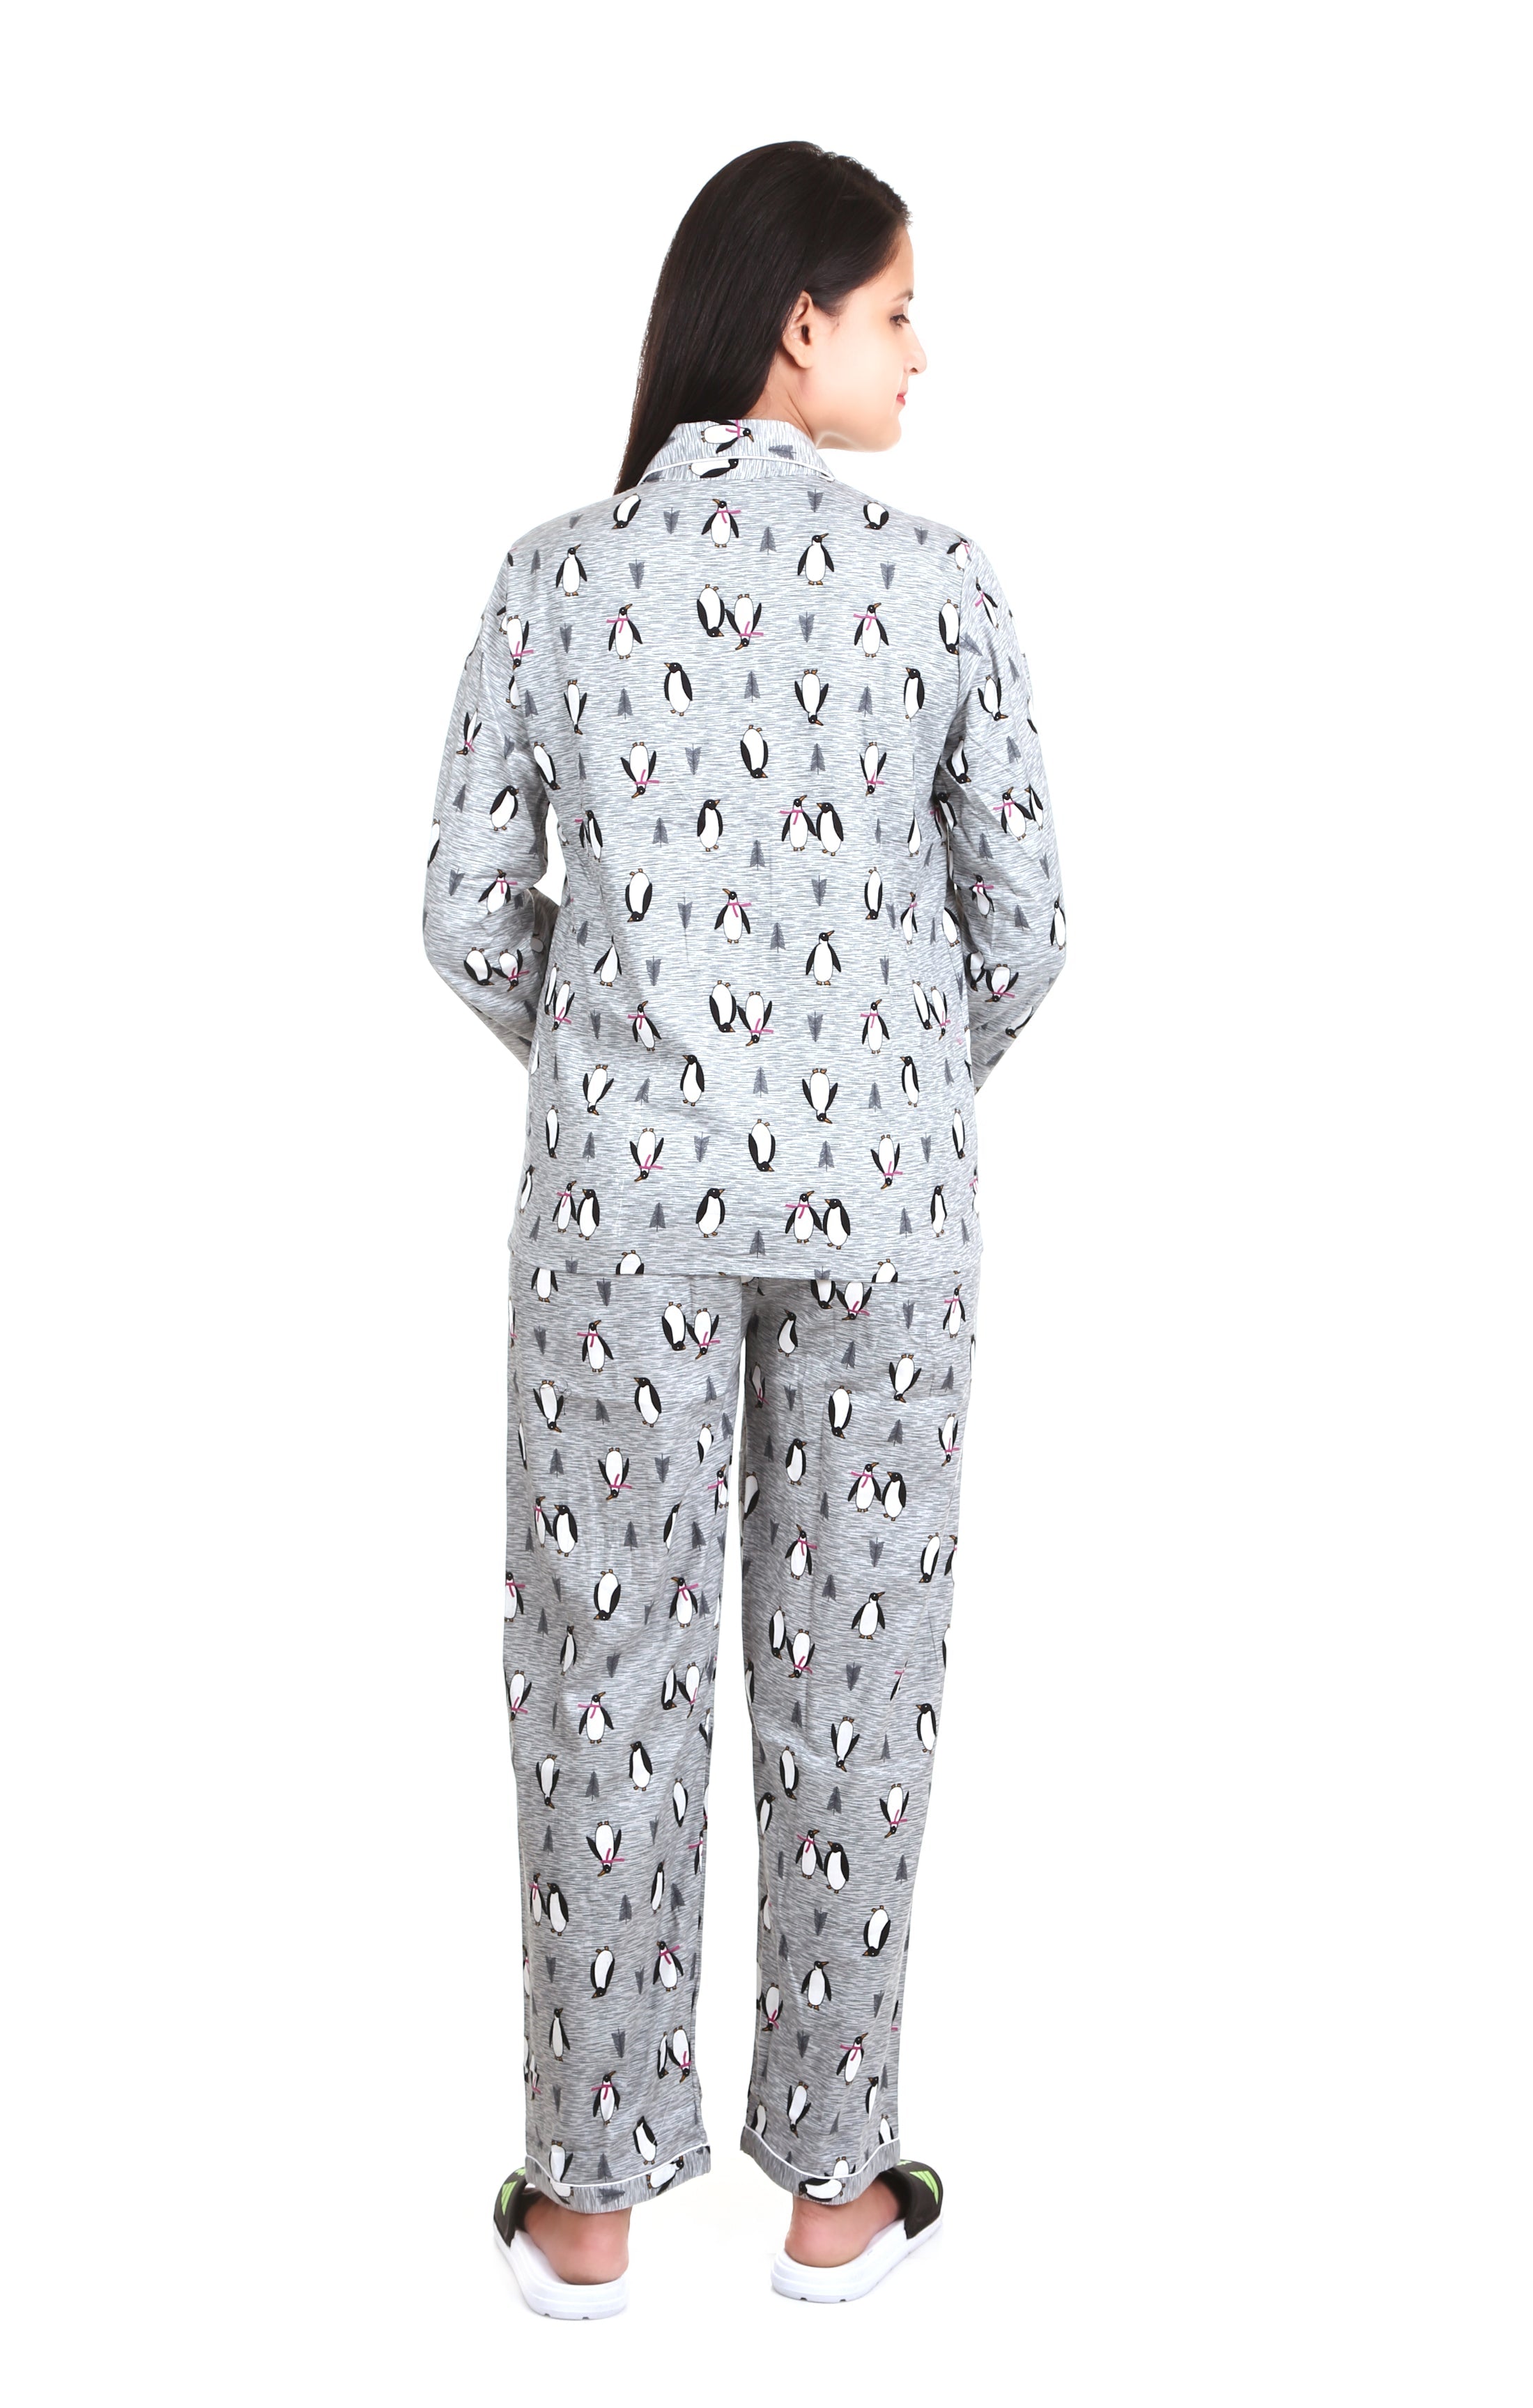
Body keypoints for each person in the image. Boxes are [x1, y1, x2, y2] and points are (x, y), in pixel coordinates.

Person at [422, 140, 1068, 2318]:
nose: (921, 351)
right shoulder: (942, 584)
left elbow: (462, 910)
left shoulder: (556, 579)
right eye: (896, 309)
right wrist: (880, 1098)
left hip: (623, 1208)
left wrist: (624, 1063)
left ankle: (586, 2215)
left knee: (600, 1672)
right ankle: (836, 2197)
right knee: (857, 1669)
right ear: (797, 321)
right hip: (888, 1214)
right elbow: (1028, 927)